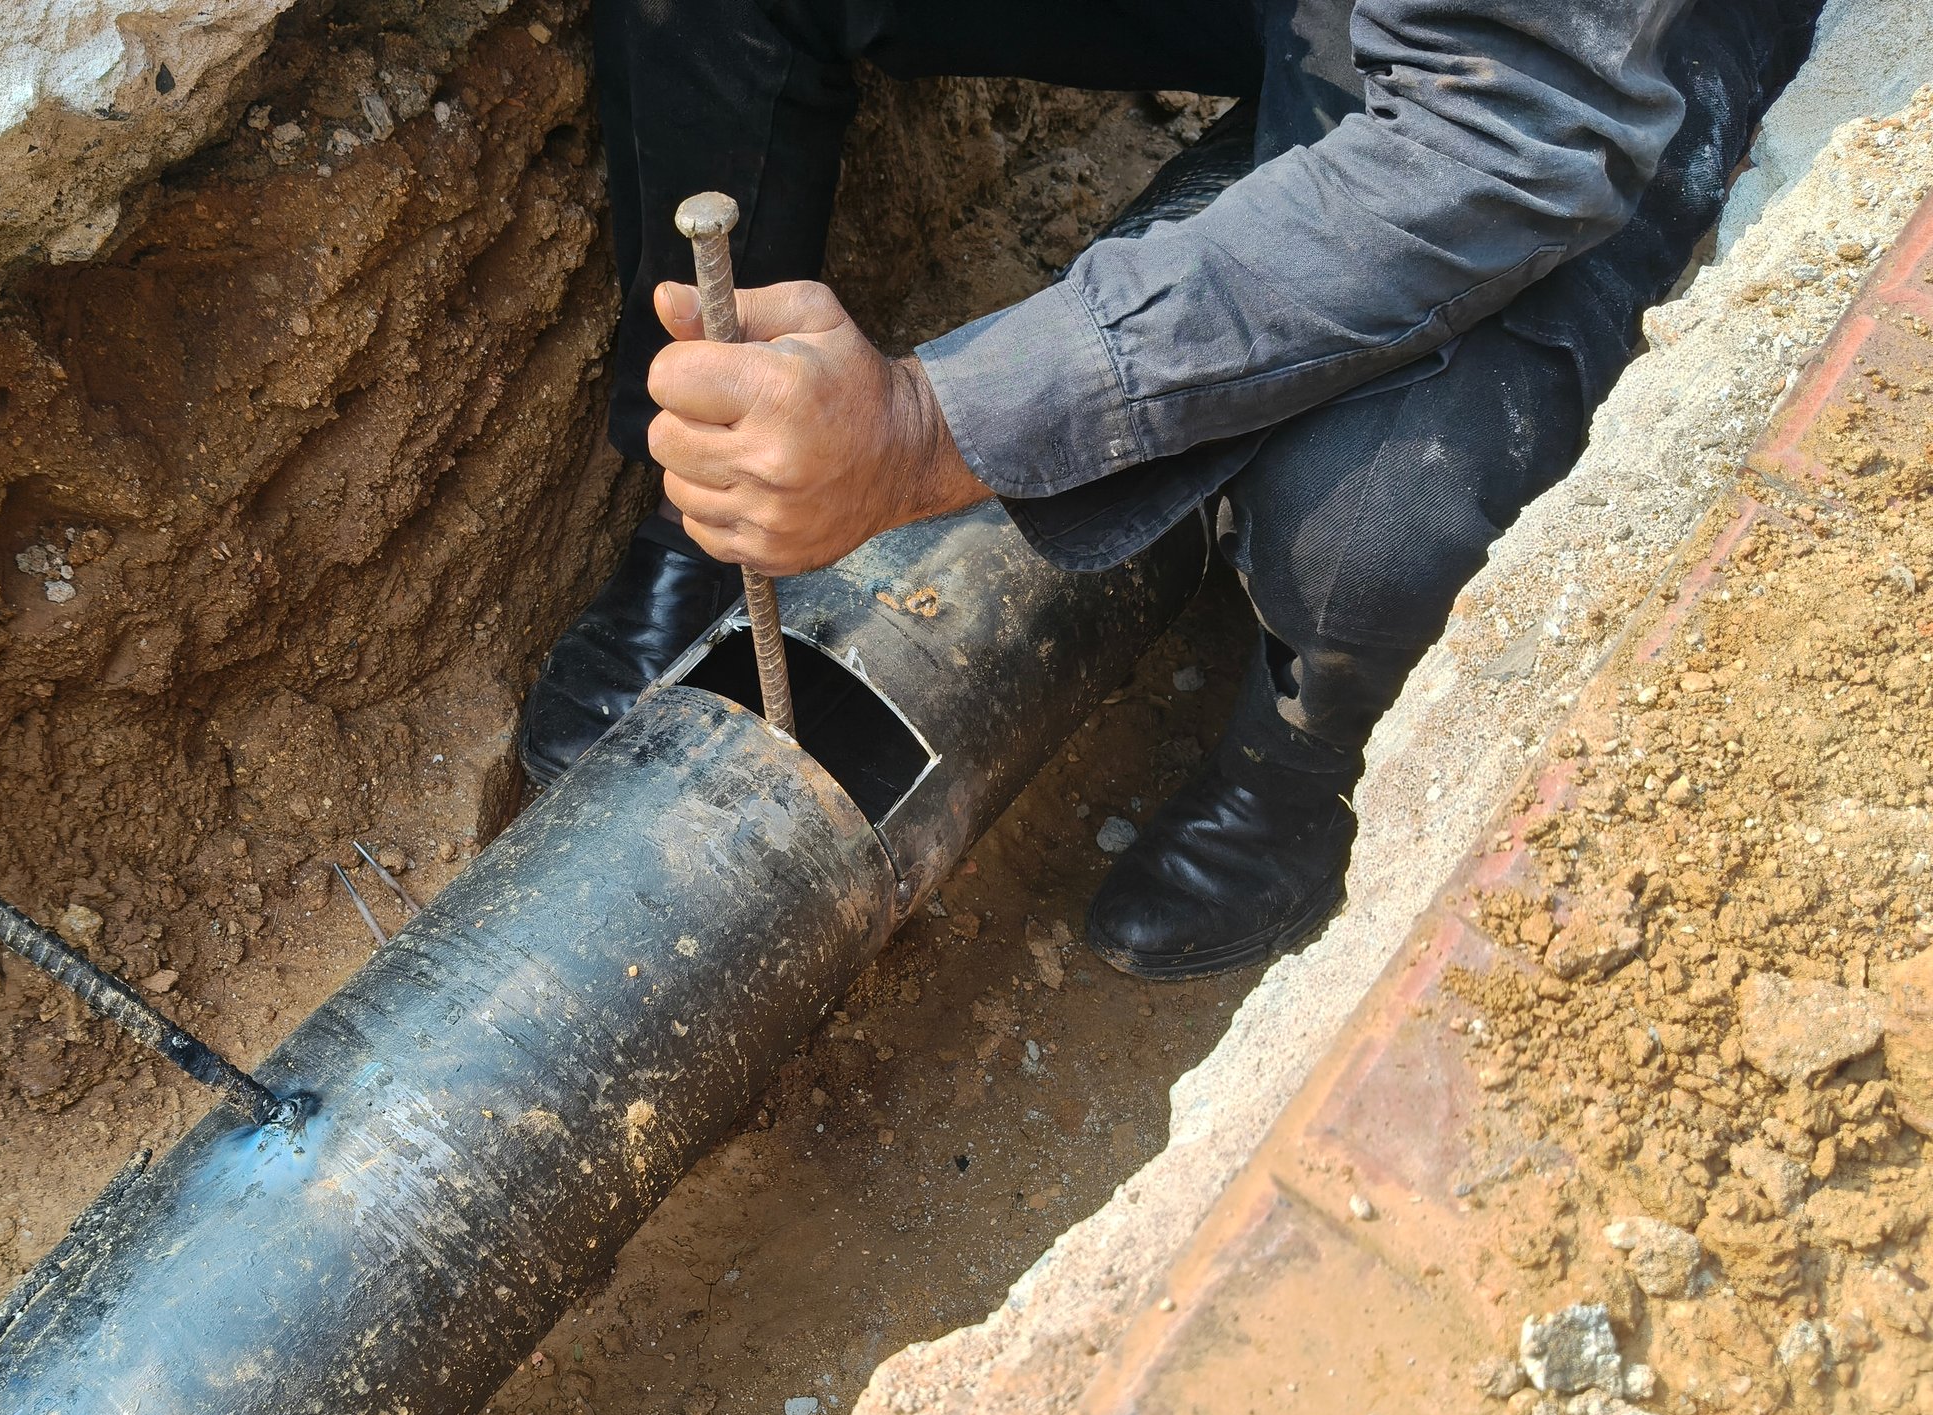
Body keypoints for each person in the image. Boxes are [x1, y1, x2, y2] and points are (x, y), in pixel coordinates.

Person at [520, 0, 1818, 979]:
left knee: (1371, 532)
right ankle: (702, 513)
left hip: (1563, 65)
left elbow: (1507, 135)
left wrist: (932, 423)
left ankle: (1301, 768)